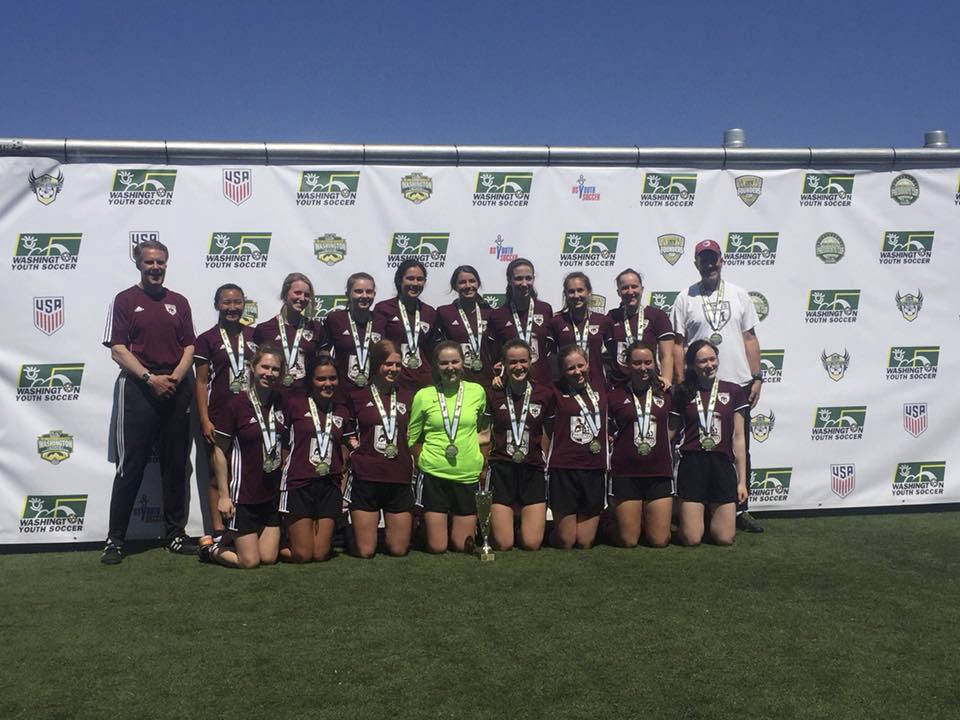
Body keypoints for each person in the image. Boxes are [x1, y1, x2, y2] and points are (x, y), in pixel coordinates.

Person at [100, 239, 196, 565]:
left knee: (175, 465)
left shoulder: (179, 302)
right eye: (149, 262)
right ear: (138, 264)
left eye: (161, 262)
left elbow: (189, 348)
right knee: (130, 468)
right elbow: (118, 349)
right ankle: (115, 540)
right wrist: (149, 379)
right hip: (139, 389)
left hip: (175, 387)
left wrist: (174, 379)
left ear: (167, 264)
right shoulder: (125, 300)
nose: (155, 268)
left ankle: (175, 534)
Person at [671, 240, 764, 533]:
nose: (709, 264)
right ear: (696, 263)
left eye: (714, 259)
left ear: (722, 261)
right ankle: (693, 504)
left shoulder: (739, 294)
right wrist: (680, 380)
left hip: (736, 381)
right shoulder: (685, 297)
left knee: (739, 446)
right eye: (704, 259)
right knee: (693, 446)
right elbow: (677, 343)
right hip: (697, 385)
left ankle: (740, 509)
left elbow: (749, 337)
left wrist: (757, 376)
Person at [200, 345, 286, 569]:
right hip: (243, 496)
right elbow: (219, 450)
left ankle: (233, 537)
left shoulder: (280, 402)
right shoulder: (236, 404)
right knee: (250, 562)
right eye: (264, 367)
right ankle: (210, 549)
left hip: (270, 494)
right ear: (252, 368)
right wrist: (224, 495)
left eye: (275, 369)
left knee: (268, 557)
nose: (269, 373)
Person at [408, 341, 489, 553]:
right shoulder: (423, 395)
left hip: (466, 474)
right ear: (436, 366)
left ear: (463, 363)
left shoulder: (477, 392)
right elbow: (413, 437)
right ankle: (423, 526)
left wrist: (481, 463)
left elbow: (482, 431)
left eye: (455, 361)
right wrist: (421, 462)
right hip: (434, 474)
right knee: (437, 547)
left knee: (462, 546)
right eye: (444, 363)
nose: (450, 367)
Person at [669, 340, 748, 546]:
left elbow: (739, 438)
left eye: (712, 359)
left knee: (724, 538)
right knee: (692, 539)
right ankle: (693, 519)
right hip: (691, 463)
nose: (709, 365)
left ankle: (705, 515)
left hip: (721, 464)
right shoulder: (683, 392)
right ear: (693, 365)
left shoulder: (734, 391)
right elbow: (671, 432)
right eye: (702, 361)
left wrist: (742, 481)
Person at [194, 283, 256, 540]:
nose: (232, 308)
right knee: (217, 475)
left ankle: (246, 526)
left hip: (250, 414)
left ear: (244, 304)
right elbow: (200, 382)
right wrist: (204, 419)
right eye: (227, 303)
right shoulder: (206, 339)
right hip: (219, 415)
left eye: (237, 302)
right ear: (217, 305)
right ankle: (218, 531)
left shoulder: (255, 335)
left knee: (249, 470)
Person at [344, 339, 416, 558]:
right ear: (376, 364)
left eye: (397, 365)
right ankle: (351, 533)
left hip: (399, 476)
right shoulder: (357, 396)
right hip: (367, 477)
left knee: (398, 550)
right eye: (388, 364)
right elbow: (346, 432)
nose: (393, 369)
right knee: (366, 552)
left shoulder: (409, 396)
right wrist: (356, 448)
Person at [278, 355, 349, 563]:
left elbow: (343, 448)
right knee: (303, 555)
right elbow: (282, 443)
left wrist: (342, 481)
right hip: (299, 483)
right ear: (311, 380)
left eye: (332, 378)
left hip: (329, 484)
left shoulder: (342, 409)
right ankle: (271, 544)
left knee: (320, 554)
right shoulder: (294, 405)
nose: (328, 383)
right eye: (321, 379)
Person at [485, 339, 555, 551]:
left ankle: (520, 522)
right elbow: (484, 432)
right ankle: (506, 523)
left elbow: (548, 432)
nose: (518, 367)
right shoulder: (493, 393)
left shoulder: (544, 394)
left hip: (531, 469)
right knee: (504, 544)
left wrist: (544, 459)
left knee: (532, 543)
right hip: (502, 469)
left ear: (531, 361)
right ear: (503, 365)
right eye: (512, 362)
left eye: (523, 361)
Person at [606, 341, 674, 547]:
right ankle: (608, 523)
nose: (643, 368)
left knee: (660, 541)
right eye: (637, 363)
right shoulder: (615, 395)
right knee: (628, 541)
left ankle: (645, 520)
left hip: (658, 472)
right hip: (626, 472)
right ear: (627, 364)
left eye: (647, 362)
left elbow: (675, 426)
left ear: (655, 363)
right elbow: (606, 429)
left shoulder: (666, 393)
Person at [547, 345, 608, 550]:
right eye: (571, 368)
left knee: (585, 542)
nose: (577, 372)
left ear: (588, 364)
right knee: (566, 541)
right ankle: (539, 532)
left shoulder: (602, 387)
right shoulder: (554, 391)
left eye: (580, 365)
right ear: (563, 372)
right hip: (564, 468)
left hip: (593, 467)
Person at [487, 258, 554, 385]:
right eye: (518, 278)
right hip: (512, 384)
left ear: (533, 279)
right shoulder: (497, 315)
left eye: (528, 278)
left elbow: (551, 350)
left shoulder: (545, 309)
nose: (524, 283)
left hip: (542, 383)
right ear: (509, 280)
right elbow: (493, 355)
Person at [373, 259, 437, 393]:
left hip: (424, 381)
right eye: (410, 278)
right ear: (399, 280)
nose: (415, 283)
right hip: (396, 379)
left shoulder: (429, 312)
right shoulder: (383, 309)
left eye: (420, 279)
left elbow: (432, 350)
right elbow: (379, 348)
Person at [605, 268, 674, 390]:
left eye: (634, 286)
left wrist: (666, 381)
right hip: (620, 386)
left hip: (650, 383)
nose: (630, 291)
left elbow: (667, 354)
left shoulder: (657, 315)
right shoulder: (612, 316)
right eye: (625, 288)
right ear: (618, 292)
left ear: (642, 289)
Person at [253, 272, 324, 390]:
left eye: (306, 295)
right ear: (285, 294)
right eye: (297, 293)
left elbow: (323, 367)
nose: (302, 298)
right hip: (274, 397)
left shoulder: (315, 327)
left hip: (305, 397)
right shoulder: (264, 329)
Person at [434, 265, 495, 389]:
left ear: (478, 283)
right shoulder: (444, 313)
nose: (468, 286)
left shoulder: (489, 313)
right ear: (454, 286)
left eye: (472, 281)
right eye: (462, 282)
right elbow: (436, 349)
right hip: (456, 379)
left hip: (487, 380)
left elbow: (497, 348)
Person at [550, 272, 611, 388]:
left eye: (580, 290)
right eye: (571, 291)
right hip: (567, 385)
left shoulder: (602, 321)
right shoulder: (557, 321)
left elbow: (611, 356)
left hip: (597, 383)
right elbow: (552, 356)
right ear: (566, 294)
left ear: (589, 292)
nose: (576, 295)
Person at [322, 272, 379, 392]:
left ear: (374, 294)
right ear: (347, 294)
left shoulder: (381, 320)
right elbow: (323, 353)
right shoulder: (335, 319)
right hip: (341, 391)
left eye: (369, 291)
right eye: (358, 291)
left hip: (372, 391)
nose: (364, 296)